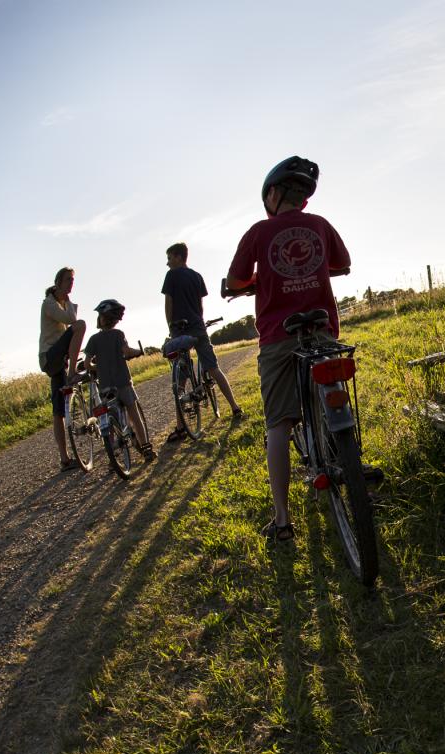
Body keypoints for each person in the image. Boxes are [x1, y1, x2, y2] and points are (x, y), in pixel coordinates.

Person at [226, 156, 350, 542]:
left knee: (278, 425)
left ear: (273, 195)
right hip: (322, 330)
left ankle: (282, 521)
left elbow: (235, 280)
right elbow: (343, 264)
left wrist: (259, 280)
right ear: (304, 199)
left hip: (278, 337)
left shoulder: (258, 232)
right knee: (335, 399)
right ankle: (349, 460)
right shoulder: (320, 225)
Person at [162, 241, 242, 442]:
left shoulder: (171, 275)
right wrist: (198, 320)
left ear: (179, 257)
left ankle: (181, 427)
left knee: (180, 380)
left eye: (169, 258)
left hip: (179, 329)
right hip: (198, 326)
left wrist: (171, 327)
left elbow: (168, 303)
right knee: (213, 368)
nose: (168, 262)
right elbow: (200, 305)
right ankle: (234, 407)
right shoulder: (197, 276)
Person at [83, 299, 155, 462]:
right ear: (115, 320)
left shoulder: (93, 339)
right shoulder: (118, 334)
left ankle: (113, 456)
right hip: (123, 383)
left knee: (110, 419)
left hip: (105, 387)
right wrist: (138, 352)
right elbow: (127, 352)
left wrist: (99, 367)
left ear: (100, 319)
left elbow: (87, 364)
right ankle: (146, 448)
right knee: (134, 415)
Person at [39, 266, 87, 471]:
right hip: (50, 357)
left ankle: (65, 459)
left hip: (58, 360)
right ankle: (72, 372)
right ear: (58, 282)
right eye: (68, 279)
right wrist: (68, 300)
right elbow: (72, 321)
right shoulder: (49, 304)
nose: (71, 283)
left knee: (58, 410)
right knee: (81, 325)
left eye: (73, 280)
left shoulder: (61, 304)